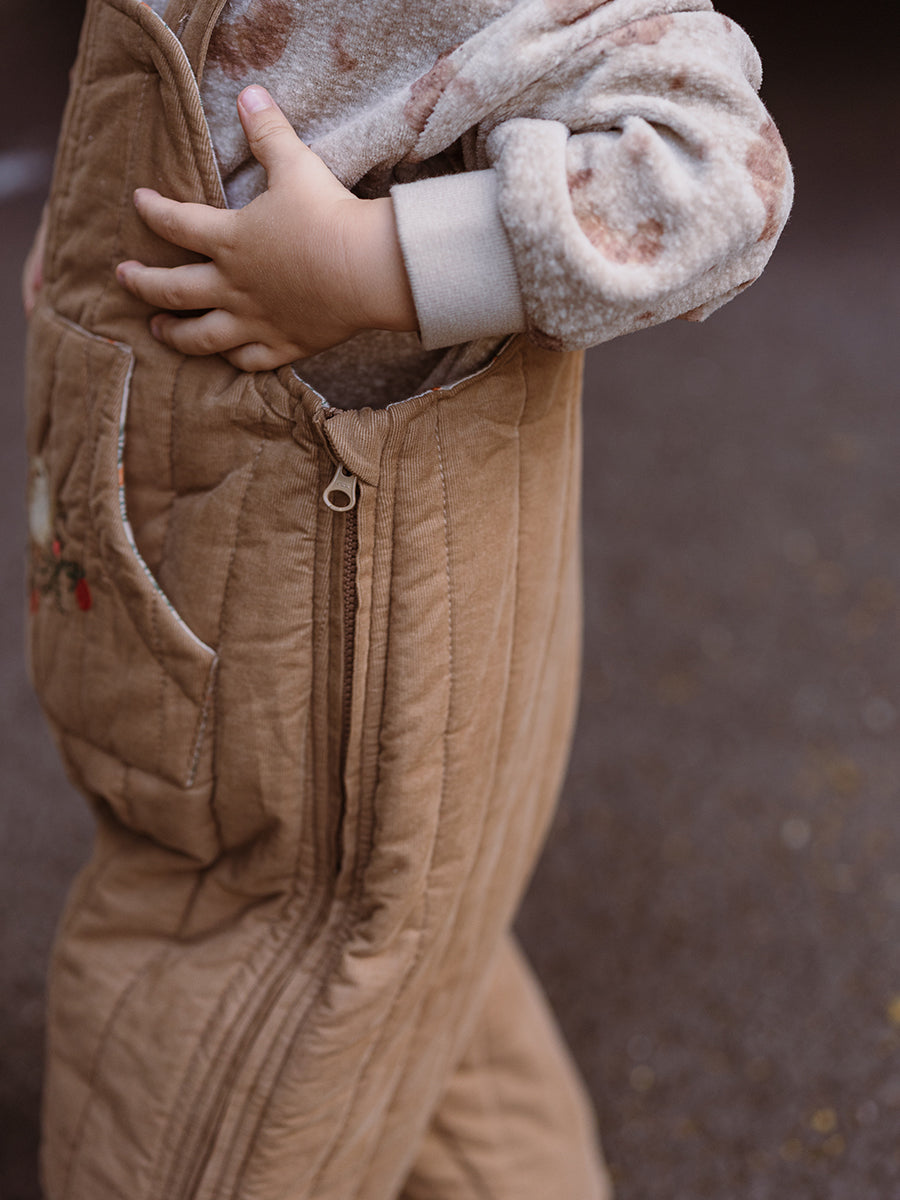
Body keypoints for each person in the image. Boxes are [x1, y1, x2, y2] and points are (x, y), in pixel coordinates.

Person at [21, 1, 792, 1197]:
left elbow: (715, 179)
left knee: (260, 981)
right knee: (424, 951)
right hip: (187, 564)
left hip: (313, 642)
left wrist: (369, 265)